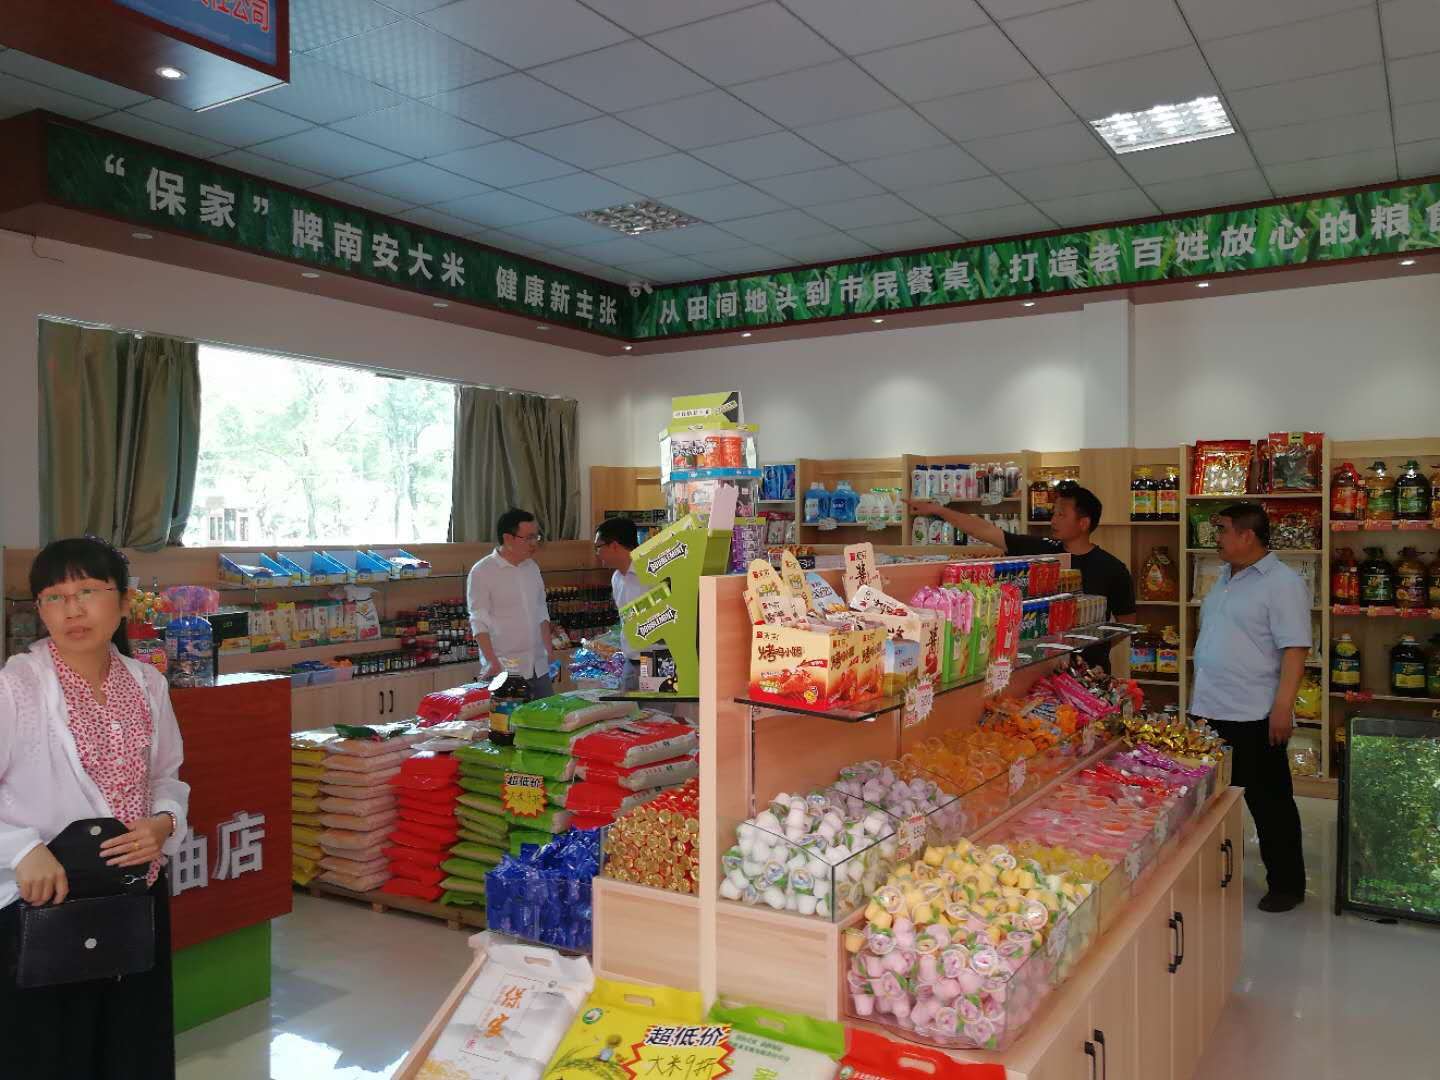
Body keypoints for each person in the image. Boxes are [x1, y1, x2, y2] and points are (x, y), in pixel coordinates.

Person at [0, 536, 189, 1079]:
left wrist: (164, 822)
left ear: (123, 602)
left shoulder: (147, 683)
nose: (72, 609)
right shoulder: (17, 687)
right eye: (54, 597)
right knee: (50, 1052)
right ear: (39, 610)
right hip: (45, 901)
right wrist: (21, 848)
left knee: (130, 1044)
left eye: (87, 591)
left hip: (133, 892)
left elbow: (166, 776)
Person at [1189, 503, 1309, 913]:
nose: (1217, 538)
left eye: (1222, 530)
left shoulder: (1282, 583)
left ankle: (1287, 885)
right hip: (1210, 707)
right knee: (1213, 802)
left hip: (1253, 712)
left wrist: (1283, 707)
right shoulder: (1224, 577)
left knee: (1269, 802)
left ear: (1247, 535)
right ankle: (1220, 869)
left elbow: (1295, 648)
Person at [907, 483, 1135, 668]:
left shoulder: (1113, 569)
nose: (1053, 520)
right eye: (1054, 513)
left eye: (1061, 515)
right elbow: (984, 530)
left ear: (1083, 523)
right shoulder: (1042, 550)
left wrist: (1095, 648)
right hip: (1043, 669)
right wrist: (939, 511)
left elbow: (1126, 623)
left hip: (1091, 672)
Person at [467, 508, 557, 699]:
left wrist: (549, 652)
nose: (534, 543)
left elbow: (541, 612)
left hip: (539, 666)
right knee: (510, 718)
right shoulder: (482, 571)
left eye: (536, 537)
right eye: (529, 537)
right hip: (505, 669)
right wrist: (492, 662)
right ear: (508, 538)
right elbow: (478, 621)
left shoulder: (532, 568)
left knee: (547, 716)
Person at [594, 517, 650, 691]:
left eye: (598, 547)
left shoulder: (651, 573)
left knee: (656, 708)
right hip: (629, 661)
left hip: (654, 659)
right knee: (629, 707)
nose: (597, 553)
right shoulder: (616, 578)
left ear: (614, 546)